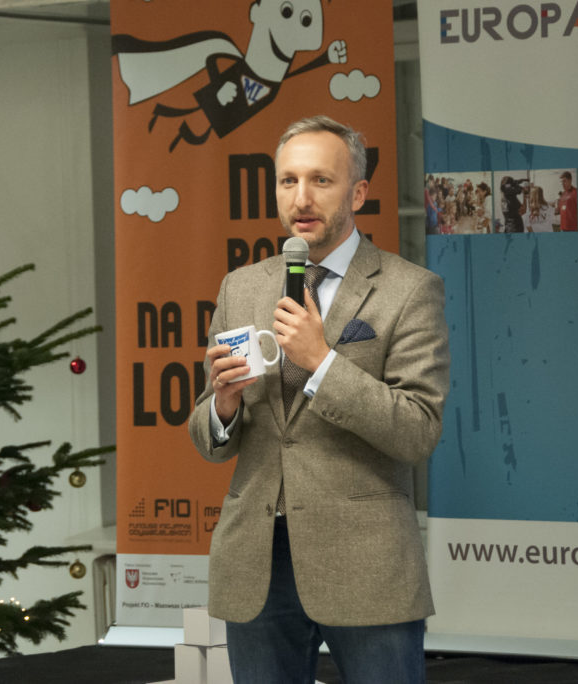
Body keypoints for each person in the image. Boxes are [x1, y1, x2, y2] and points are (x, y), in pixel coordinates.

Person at [189, 115, 450, 684]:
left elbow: (417, 430)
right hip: (256, 561)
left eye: (320, 180)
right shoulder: (242, 286)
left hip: (366, 562)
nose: (301, 198)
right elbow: (209, 441)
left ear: (358, 192)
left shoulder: (409, 289)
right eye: (288, 181)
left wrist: (322, 362)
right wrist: (223, 406)